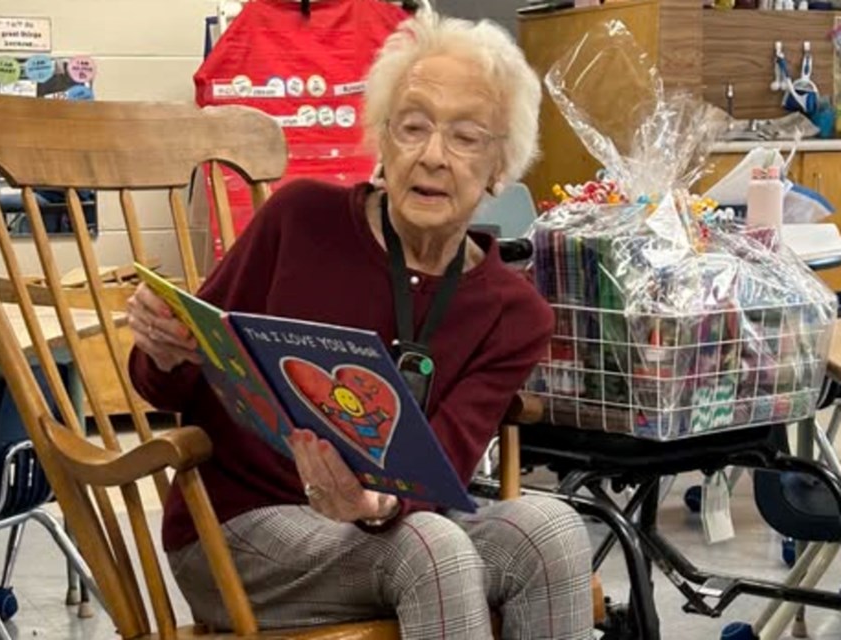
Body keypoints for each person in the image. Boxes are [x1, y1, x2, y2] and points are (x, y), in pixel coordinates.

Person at [127, 11, 593, 640]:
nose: (432, 155)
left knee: (551, 531)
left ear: (499, 169)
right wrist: (162, 349)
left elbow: (445, 468)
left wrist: (380, 505)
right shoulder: (299, 219)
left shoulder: (514, 313)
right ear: (381, 138)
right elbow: (172, 386)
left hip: (384, 527)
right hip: (242, 530)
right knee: (431, 547)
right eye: (413, 126)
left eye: (465, 137)